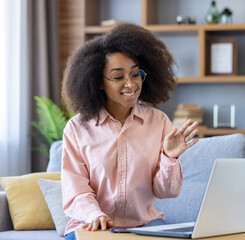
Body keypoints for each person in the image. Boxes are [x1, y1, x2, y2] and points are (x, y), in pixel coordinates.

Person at [61, 23, 199, 240]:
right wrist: (95, 215)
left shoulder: (159, 121)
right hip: (92, 225)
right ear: (98, 82)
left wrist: (170, 158)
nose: (131, 84)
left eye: (135, 74)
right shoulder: (78, 128)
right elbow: (76, 190)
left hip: (144, 225)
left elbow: (167, 192)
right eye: (118, 77)